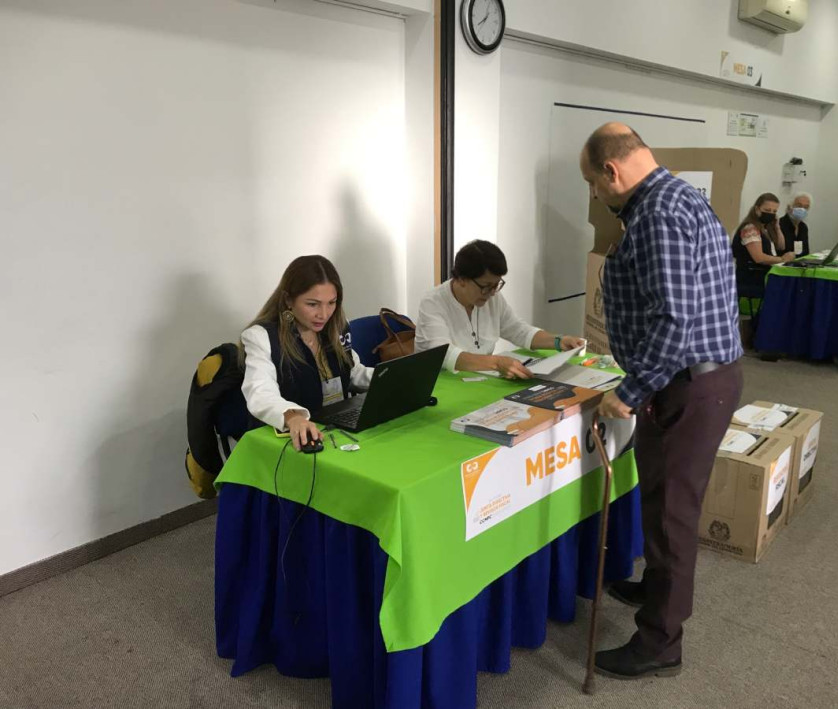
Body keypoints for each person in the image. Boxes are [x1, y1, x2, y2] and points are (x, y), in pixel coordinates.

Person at [579, 122, 744, 680]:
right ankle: (655, 590)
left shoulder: (657, 215)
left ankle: (660, 644)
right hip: (684, 380)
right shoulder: (679, 197)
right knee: (659, 494)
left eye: (594, 186)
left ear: (611, 170)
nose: (597, 198)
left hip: (686, 382)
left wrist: (626, 393)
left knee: (673, 515)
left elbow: (676, 321)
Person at [241, 255, 372, 451]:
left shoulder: (334, 329)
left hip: (337, 432)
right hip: (292, 443)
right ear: (288, 300)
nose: (324, 314)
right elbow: (260, 392)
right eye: (313, 304)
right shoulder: (261, 337)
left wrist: (393, 377)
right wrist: (293, 417)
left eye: (332, 302)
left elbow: (353, 373)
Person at [414, 239, 585, 378]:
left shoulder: (491, 298)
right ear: (461, 279)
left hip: (481, 382)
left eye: (497, 285)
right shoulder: (433, 303)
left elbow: (518, 330)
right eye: (486, 286)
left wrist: (558, 341)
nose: (491, 293)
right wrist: (497, 363)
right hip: (439, 389)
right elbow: (443, 355)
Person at [778, 192, 812, 258]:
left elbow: (805, 253)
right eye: (799, 205)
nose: (802, 209)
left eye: (806, 207)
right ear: (789, 206)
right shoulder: (779, 225)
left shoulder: (803, 227)